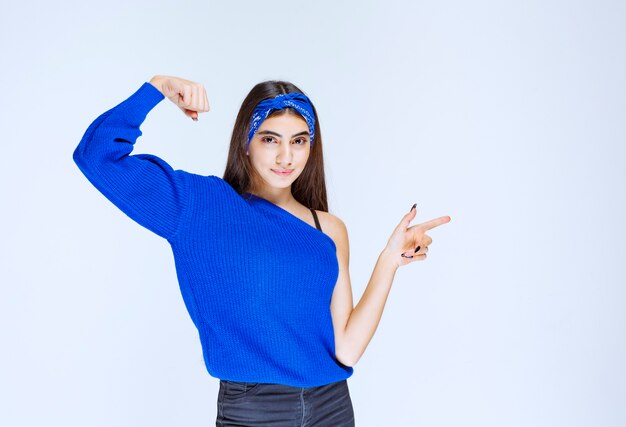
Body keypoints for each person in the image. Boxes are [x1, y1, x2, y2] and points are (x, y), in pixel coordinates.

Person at [72, 74, 451, 426]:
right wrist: (157, 88)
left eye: (298, 141)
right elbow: (97, 157)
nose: (286, 157)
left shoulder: (329, 228)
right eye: (270, 139)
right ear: (246, 142)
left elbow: (346, 350)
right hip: (253, 411)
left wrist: (388, 261)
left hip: (332, 407)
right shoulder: (201, 206)